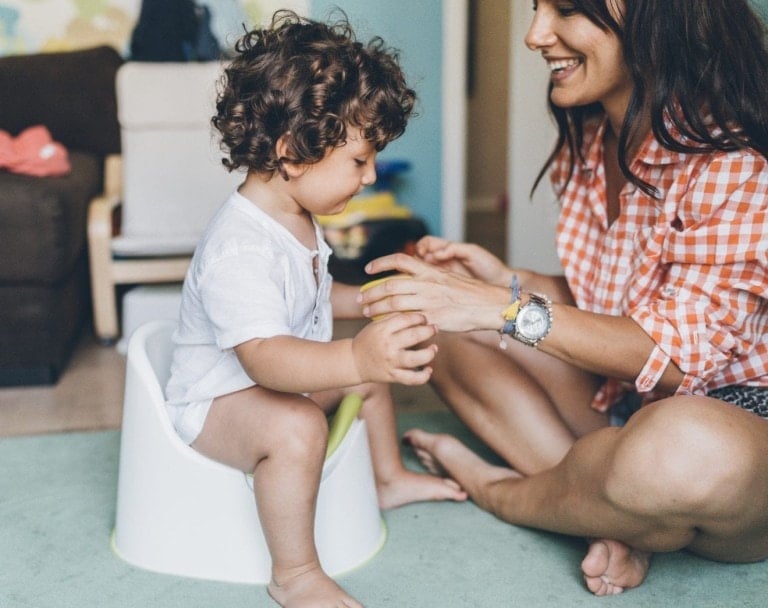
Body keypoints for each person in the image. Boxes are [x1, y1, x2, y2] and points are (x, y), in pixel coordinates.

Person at [359, 0, 768, 597]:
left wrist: (498, 308)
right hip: (627, 402)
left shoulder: (733, 167)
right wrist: (505, 284)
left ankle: (501, 490)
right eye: (535, 8)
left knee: (683, 447)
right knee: (426, 319)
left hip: (730, 429)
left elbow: (674, 355)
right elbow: (618, 298)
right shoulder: (593, 139)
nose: (534, 36)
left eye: (568, 10)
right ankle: (608, 515)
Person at [164, 11, 466, 608]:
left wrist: (369, 303)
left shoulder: (295, 217)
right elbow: (268, 361)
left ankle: (387, 479)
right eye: (359, 161)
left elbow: (308, 296)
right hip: (215, 402)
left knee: (368, 384)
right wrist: (356, 354)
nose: (371, 175)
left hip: (264, 382)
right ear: (292, 152)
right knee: (299, 424)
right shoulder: (241, 246)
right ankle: (295, 574)